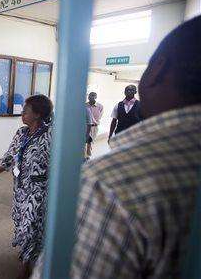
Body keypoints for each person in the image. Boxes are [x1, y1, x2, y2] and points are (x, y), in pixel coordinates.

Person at [69, 16, 201, 278]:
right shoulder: (118, 108)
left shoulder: (110, 183)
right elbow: (115, 121)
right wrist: (113, 138)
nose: (131, 93)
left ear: (156, 71)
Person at [0, 95, 53, 279]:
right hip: (20, 189)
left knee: (31, 225)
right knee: (21, 221)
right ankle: (28, 252)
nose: (22, 113)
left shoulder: (50, 135)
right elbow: (9, 157)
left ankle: (27, 265)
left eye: (26, 110)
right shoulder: (21, 133)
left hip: (39, 191)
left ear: (38, 114)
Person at [85, 92, 103, 158]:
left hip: (95, 127)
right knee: (87, 140)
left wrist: (95, 122)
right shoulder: (85, 105)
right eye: (89, 96)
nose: (90, 97)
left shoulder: (100, 106)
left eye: (93, 96)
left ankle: (89, 150)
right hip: (86, 126)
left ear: (96, 97)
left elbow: (100, 116)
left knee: (92, 140)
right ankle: (87, 155)